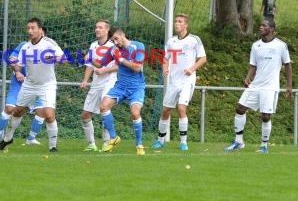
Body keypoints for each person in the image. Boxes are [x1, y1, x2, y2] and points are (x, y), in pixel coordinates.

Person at [0, 17, 65, 152]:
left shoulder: (49, 44)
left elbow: (64, 58)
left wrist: (52, 58)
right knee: (17, 111)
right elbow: (18, 66)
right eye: (28, 28)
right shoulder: (25, 47)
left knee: (49, 114)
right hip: (29, 85)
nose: (30, 31)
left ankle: (53, 146)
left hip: (47, 85)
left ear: (40, 30)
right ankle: (7, 139)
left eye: (33, 28)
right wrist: (13, 64)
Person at [224, 19, 292, 153]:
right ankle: (239, 141)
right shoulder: (256, 45)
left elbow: (288, 65)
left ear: (271, 29)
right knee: (240, 108)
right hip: (256, 85)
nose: (260, 27)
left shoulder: (280, 45)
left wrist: (289, 85)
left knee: (265, 116)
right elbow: (253, 65)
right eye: (260, 25)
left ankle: (264, 145)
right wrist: (248, 77)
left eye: (264, 25)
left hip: (270, 87)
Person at [151, 14, 207, 151]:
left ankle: (183, 142)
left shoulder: (194, 40)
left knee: (181, 108)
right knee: (166, 111)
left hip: (188, 80)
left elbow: (203, 58)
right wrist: (165, 70)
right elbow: (165, 59)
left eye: (179, 22)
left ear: (186, 25)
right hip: (174, 81)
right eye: (175, 21)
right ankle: (160, 140)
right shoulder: (171, 41)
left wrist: (191, 69)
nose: (176, 23)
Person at [0, 27, 49, 146]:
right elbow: (12, 59)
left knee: (42, 111)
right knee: (9, 108)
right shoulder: (24, 46)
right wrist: (17, 72)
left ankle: (31, 138)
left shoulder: (48, 49)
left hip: (37, 86)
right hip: (19, 85)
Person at [95, 27, 147, 155]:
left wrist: (121, 59)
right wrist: (87, 57)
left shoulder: (138, 46)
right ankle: (114, 137)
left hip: (136, 87)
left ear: (122, 34)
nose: (115, 43)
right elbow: (101, 64)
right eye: (112, 41)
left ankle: (139, 144)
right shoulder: (113, 50)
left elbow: (137, 68)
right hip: (120, 86)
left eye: (116, 39)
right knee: (103, 106)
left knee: (135, 113)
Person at [79, 19, 117, 152]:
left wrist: (104, 70)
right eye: (96, 27)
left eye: (100, 27)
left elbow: (119, 66)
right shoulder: (93, 45)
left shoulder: (114, 45)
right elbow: (90, 65)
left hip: (109, 82)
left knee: (104, 109)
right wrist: (85, 80)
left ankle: (107, 143)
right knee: (85, 114)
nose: (97, 29)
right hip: (96, 83)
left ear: (107, 30)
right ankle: (91, 144)